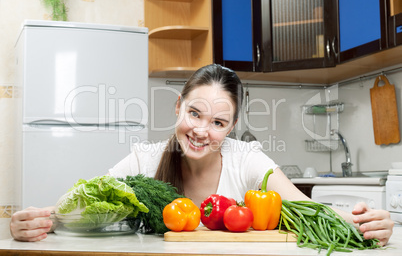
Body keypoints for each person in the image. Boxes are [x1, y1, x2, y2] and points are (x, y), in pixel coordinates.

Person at [10, 64, 394, 244]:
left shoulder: (247, 159)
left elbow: (300, 204)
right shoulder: (145, 159)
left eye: (218, 122)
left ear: (231, 126)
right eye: (194, 113)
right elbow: (89, 202)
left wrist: (360, 221)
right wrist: (39, 219)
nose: (201, 131)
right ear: (178, 106)